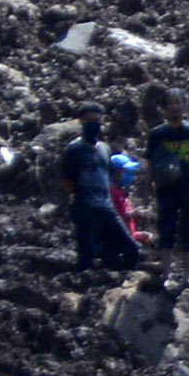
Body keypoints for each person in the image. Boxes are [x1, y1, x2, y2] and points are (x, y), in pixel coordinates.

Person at [61, 109, 141, 271]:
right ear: (81, 122)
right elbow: (66, 181)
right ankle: (83, 289)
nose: (94, 124)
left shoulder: (104, 149)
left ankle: (124, 281)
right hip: (84, 208)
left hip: (106, 208)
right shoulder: (74, 150)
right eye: (89, 120)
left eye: (97, 120)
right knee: (86, 256)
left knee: (131, 248)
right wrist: (82, 196)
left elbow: (108, 177)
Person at [145, 93, 189, 255]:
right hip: (166, 188)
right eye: (170, 104)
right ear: (164, 109)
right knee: (166, 231)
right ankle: (166, 275)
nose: (174, 107)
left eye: (178, 103)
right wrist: (148, 186)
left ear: (185, 105)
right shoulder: (158, 134)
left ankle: (187, 277)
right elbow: (149, 162)